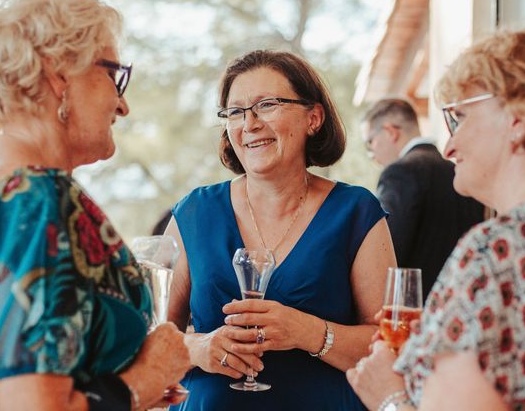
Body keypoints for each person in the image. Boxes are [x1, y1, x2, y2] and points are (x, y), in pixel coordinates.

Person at [347, 14, 525, 410]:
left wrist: (388, 397)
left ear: (520, 118)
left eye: (459, 116)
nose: (448, 146)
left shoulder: (497, 251)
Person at [0, 0, 190, 410]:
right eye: (113, 75)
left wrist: (121, 388)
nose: (122, 106)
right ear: (58, 72)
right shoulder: (34, 195)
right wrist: (147, 376)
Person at [165, 50, 396, 410]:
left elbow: (391, 348)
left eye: (267, 105)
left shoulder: (356, 212)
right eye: (236, 111)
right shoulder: (194, 213)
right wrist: (199, 348)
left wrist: (307, 331)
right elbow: (149, 336)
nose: (250, 123)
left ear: (313, 118)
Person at [361, 99, 484, 297]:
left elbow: (386, 252)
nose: (372, 154)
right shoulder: (457, 172)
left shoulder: (399, 173)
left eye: (370, 142)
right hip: (461, 300)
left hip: (413, 310)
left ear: (391, 131)